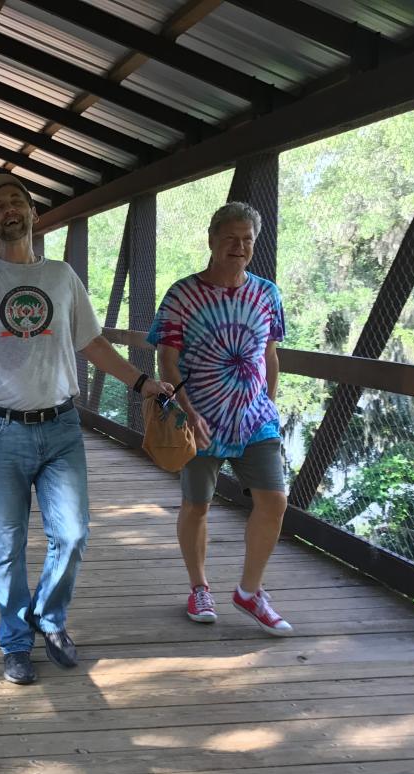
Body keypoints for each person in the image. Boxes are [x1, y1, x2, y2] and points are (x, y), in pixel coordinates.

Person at [0, 172, 172, 685]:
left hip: (62, 426)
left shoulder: (62, 277)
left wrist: (141, 383)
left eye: (16, 201)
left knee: (72, 534)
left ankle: (49, 616)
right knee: (8, 543)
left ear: (32, 214)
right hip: (1, 432)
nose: (8, 209)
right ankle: (16, 642)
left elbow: (91, 343)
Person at [147, 201, 293, 637]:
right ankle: (199, 588)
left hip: (255, 419)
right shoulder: (182, 294)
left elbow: (270, 354)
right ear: (211, 239)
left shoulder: (267, 293)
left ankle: (250, 592)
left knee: (275, 501)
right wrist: (188, 411)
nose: (239, 247)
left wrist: (269, 403)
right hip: (200, 418)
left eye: (247, 239)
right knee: (197, 504)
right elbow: (166, 361)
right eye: (230, 238)